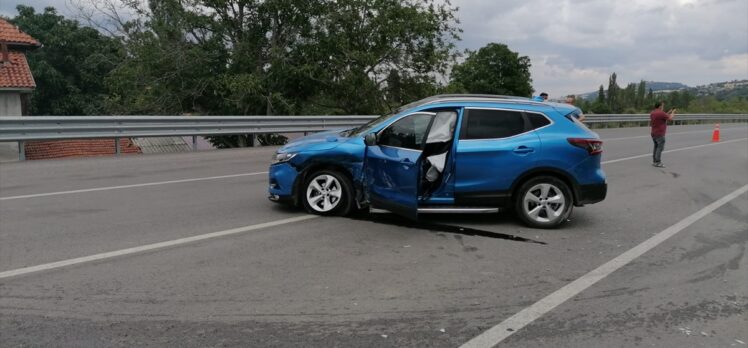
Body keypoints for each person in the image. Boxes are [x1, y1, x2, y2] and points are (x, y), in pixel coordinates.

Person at [650, 101, 676, 168]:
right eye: (662, 106)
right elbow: (670, 118)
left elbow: (663, 116)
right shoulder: (661, 113)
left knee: (656, 147)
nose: (663, 107)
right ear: (660, 106)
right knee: (660, 148)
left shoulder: (652, 112)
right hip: (660, 133)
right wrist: (673, 112)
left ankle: (654, 161)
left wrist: (669, 111)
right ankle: (658, 162)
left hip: (653, 133)